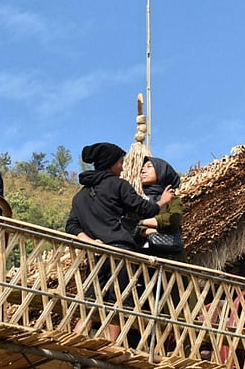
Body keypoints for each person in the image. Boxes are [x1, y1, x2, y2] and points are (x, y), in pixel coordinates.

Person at [65, 142, 171, 341]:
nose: (122, 167)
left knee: (90, 302)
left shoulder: (80, 196)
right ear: (111, 163)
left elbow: (72, 225)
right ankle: (110, 346)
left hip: (96, 254)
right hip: (120, 252)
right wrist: (162, 202)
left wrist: (90, 242)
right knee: (119, 303)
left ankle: (73, 342)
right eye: (120, 162)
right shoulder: (117, 185)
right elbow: (143, 209)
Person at [133, 156, 183, 261]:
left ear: (161, 172)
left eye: (149, 166)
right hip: (141, 261)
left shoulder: (173, 200)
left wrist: (142, 222)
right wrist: (149, 230)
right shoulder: (137, 200)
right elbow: (129, 226)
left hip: (170, 261)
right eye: (142, 168)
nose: (143, 170)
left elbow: (173, 219)